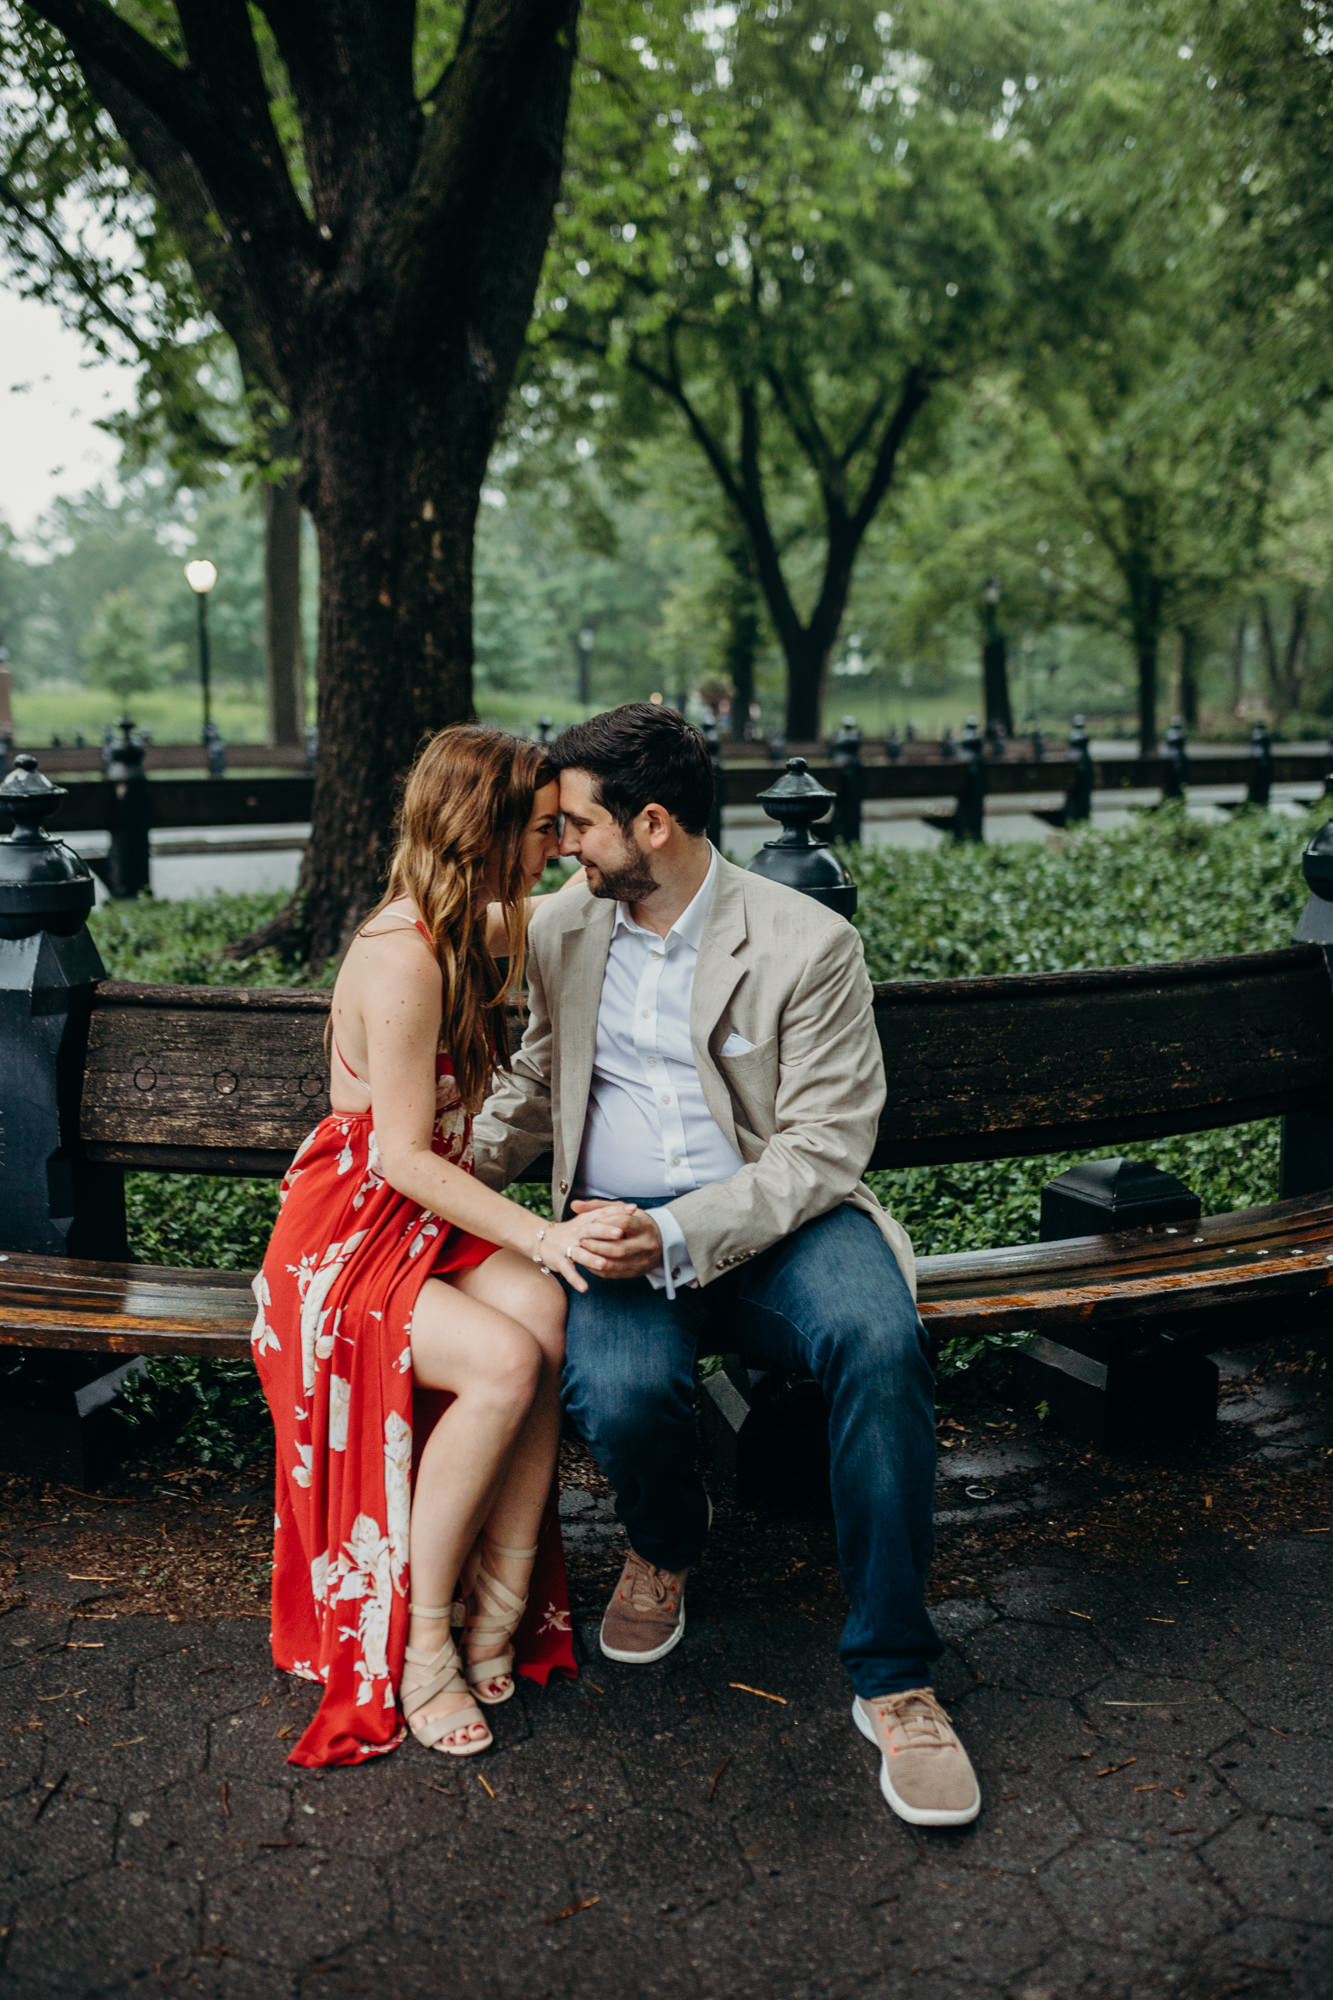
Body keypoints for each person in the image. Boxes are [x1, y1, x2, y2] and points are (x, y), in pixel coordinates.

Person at [473, 703, 981, 1827]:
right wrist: (419, 1162)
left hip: (783, 1221)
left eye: (575, 826)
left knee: (878, 1338)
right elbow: (539, 1080)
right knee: (615, 1384)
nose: (559, 845)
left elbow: (823, 1145)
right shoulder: (566, 929)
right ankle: (664, 1546)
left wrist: (682, 1229)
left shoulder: (807, 943)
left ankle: (895, 1673)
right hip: (609, 1220)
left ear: (652, 822)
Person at [252, 725, 632, 1768]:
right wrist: (545, 1231)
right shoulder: (406, 953)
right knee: (506, 1358)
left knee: (550, 1313)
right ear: (490, 829)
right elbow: (403, 1158)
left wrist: (643, 844)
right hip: (348, 1234)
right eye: (545, 826)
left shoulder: (470, 916)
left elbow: (568, 907)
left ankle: (499, 1612)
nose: (558, 844)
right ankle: (422, 1647)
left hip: (420, 1223)